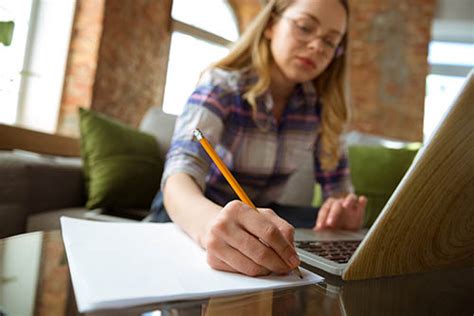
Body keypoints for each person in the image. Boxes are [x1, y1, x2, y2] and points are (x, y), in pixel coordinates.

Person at [150, 0, 367, 277]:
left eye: (330, 41)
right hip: (199, 207)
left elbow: (338, 191)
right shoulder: (222, 85)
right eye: (304, 27)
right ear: (271, 25)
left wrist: (341, 212)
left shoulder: (323, 108)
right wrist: (210, 227)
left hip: (262, 213)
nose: (316, 46)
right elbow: (180, 177)